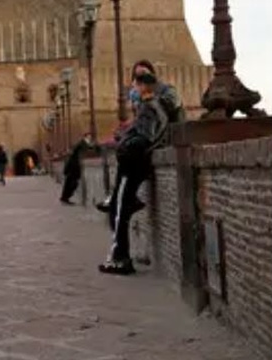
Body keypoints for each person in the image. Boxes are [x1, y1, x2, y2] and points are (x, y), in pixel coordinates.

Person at [100, 71, 169, 275]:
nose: (132, 91)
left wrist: (126, 144)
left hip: (132, 164)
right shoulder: (151, 107)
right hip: (134, 163)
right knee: (118, 207)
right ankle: (119, 256)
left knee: (120, 210)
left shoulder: (149, 107)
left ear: (144, 87)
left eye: (134, 87)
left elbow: (145, 137)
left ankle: (120, 259)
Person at [96, 60, 183, 221]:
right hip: (149, 139)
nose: (140, 79)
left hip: (165, 137)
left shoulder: (166, 90)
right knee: (125, 150)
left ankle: (120, 200)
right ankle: (123, 199)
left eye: (144, 74)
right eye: (137, 76)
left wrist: (149, 98)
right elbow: (142, 123)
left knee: (130, 155)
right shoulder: (139, 99)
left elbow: (170, 106)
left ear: (152, 75)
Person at [60, 133, 93, 205]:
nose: (90, 138)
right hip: (73, 167)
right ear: (85, 137)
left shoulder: (80, 143)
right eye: (89, 137)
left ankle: (64, 197)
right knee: (72, 183)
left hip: (71, 166)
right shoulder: (82, 143)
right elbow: (89, 148)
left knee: (69, 182)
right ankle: (65, 197)